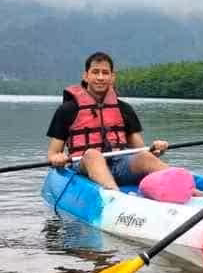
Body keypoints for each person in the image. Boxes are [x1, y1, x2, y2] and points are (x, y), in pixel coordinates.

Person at [47, 51, 169, 189]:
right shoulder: (67, 110)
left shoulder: (124, 108)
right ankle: (115, 195)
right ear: (86, 76)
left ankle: (192, 192)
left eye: (105, 73)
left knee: (145, 158)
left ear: (112, 77)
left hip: (120, 164)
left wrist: (155, 150)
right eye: (95, 72)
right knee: (93, 155)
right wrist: (57, 158)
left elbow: (139, 150)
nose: (100, 77)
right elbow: (53, 153)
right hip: (84, 165)